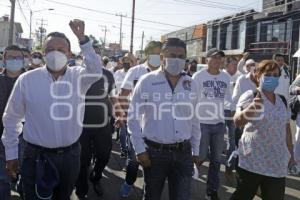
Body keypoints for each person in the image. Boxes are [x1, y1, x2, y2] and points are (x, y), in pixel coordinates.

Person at [1, 19, 103, 200]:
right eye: (49, 50)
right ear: (42, 53)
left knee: (63, 196)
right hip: (35, 156)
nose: (55, 54)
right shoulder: (27, 80)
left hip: (70, 156)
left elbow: (96, 69)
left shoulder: (79, 77)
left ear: (70, 53)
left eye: (61, 50)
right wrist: (10, 154)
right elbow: (11, 118)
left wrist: (83, 39)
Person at [128, 37, 201, 200]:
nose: (177, 59)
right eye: (172, 55)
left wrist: (195, 149)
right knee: (152, 196)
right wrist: (140, 150)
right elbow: (132, 117)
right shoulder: (147, 81)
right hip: (154, 154)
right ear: (162, 58)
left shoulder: (191, 83)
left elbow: (195, 119)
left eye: (181, 56)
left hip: (184, 153)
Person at [230, 60, 295, 200]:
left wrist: (291, 154)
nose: (272, 78)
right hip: (252, 161)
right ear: (258, 75)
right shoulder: (250, 95)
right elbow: (237, 121)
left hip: (277, 163)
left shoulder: (282, 100)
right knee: (242, 196)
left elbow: (286, 128)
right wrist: (252, 108)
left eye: (276, 75)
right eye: (268, 74)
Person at [75, 49, 123, 199]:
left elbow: (113, 96)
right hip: (80, 125)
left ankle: (96, 177)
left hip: (102, 124)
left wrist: (118, 113)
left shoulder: (108, 75)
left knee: (103, 155)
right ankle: (81, 188)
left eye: (94, 58)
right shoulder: (76, 74)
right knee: (82, 159)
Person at [118, 40, 162, 197]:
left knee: (154, 164)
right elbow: (122, 96)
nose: (157, 57)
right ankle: (129, 183)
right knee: (135, 159)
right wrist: (127, 116)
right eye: (154, 53)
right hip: (137, 126)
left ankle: (148, 191)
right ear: (147, 54)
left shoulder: (168, 74)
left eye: (160, 53)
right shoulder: (135, 71)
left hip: (157, 127)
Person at [192, 48, 232, 200]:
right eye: (214, 57)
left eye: (220, 58)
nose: (217, 60)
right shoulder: (198, 76)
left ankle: (211, 190)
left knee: (216, 160)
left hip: (219, 124)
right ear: (207, 59)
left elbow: (228, 98)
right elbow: (192, 99)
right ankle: (187, 181)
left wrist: (236, 109)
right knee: (199, 157)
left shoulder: (225, 77)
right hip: (201, 123)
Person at [0, 45, 25, 200]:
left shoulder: (31, 81)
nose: (14, 61)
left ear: (23, 60)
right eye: (10, 57)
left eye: (18, 58)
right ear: (4, 59)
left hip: (27, 138)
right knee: (2, 179)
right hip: (2, 136)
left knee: (27, 176)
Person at [222, 56, 241, 184]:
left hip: (233, 113)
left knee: (232, 140)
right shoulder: (221, 76)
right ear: (227, 65)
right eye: (233, 64)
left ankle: (229, 167)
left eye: (236, 64)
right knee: (215, 141)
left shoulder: (239, 76)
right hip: (220, 111)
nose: (235, 67)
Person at [114, 55, 135, 159]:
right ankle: (124, 149)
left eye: (129, 60)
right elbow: (114, 89)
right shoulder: (117, 73)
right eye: (125, 61)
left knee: (130, 130)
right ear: (122, 62)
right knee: (123, 130)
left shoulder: (135, 73)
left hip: (132, 104)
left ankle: (130, 149)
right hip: (120, 102)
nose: (127, 62)